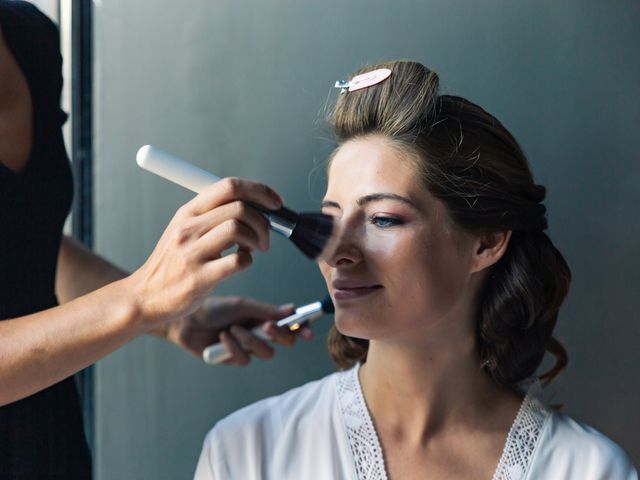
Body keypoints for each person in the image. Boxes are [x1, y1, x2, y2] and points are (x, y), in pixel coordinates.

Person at [194, 60, 638, 479]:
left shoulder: (586, 469)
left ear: (485, 242)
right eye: (330, 218)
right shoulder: (249, 452)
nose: (334, 253)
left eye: (382, 219)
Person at [0, 2, 310, 478]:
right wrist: (139, 298)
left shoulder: (26, 36)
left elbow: (28, 243)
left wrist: (177, 319)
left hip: (46, 430)